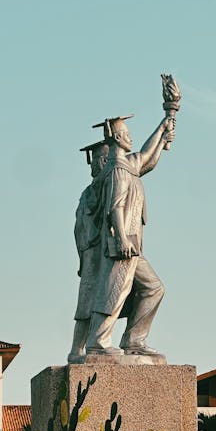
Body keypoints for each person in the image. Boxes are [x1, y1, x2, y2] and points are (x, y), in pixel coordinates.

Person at [85, 113, 175, 356]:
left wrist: (164, 125)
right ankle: (98, 343)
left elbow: (148, 158)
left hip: (133, 246)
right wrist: (121, 237)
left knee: (153, 288)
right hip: (121, 244)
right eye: (125, 135)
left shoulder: (128, 165)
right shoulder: (116, 170)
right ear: (116, 137)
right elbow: (114, 206)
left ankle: (134, 339)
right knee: (114, 291)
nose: (130, 138)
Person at [68, 140, 109, 363]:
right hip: (94, 252)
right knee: (88, 303)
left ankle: (79, 348)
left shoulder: (96, 188)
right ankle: (79, 348)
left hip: (91, 253)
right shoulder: (96, 188)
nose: (94, 166)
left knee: (90, 301)